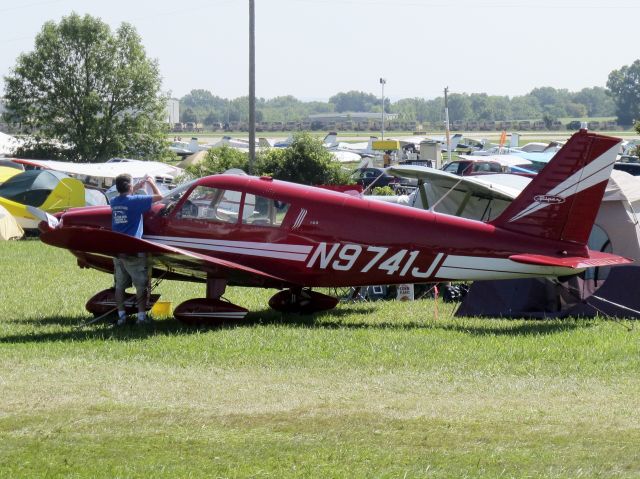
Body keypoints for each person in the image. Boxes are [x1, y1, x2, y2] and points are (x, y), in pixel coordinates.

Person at [111, 173, 163, 326]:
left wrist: (136, 186)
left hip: (117, 250)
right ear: (129, 186)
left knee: (119, 286)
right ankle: (141, 318)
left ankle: (121, 317)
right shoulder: (135, 201)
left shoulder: (114, 201)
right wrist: (151, 183)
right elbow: (159, 197)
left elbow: (126, 199)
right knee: (141, 286)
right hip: (133, 250)